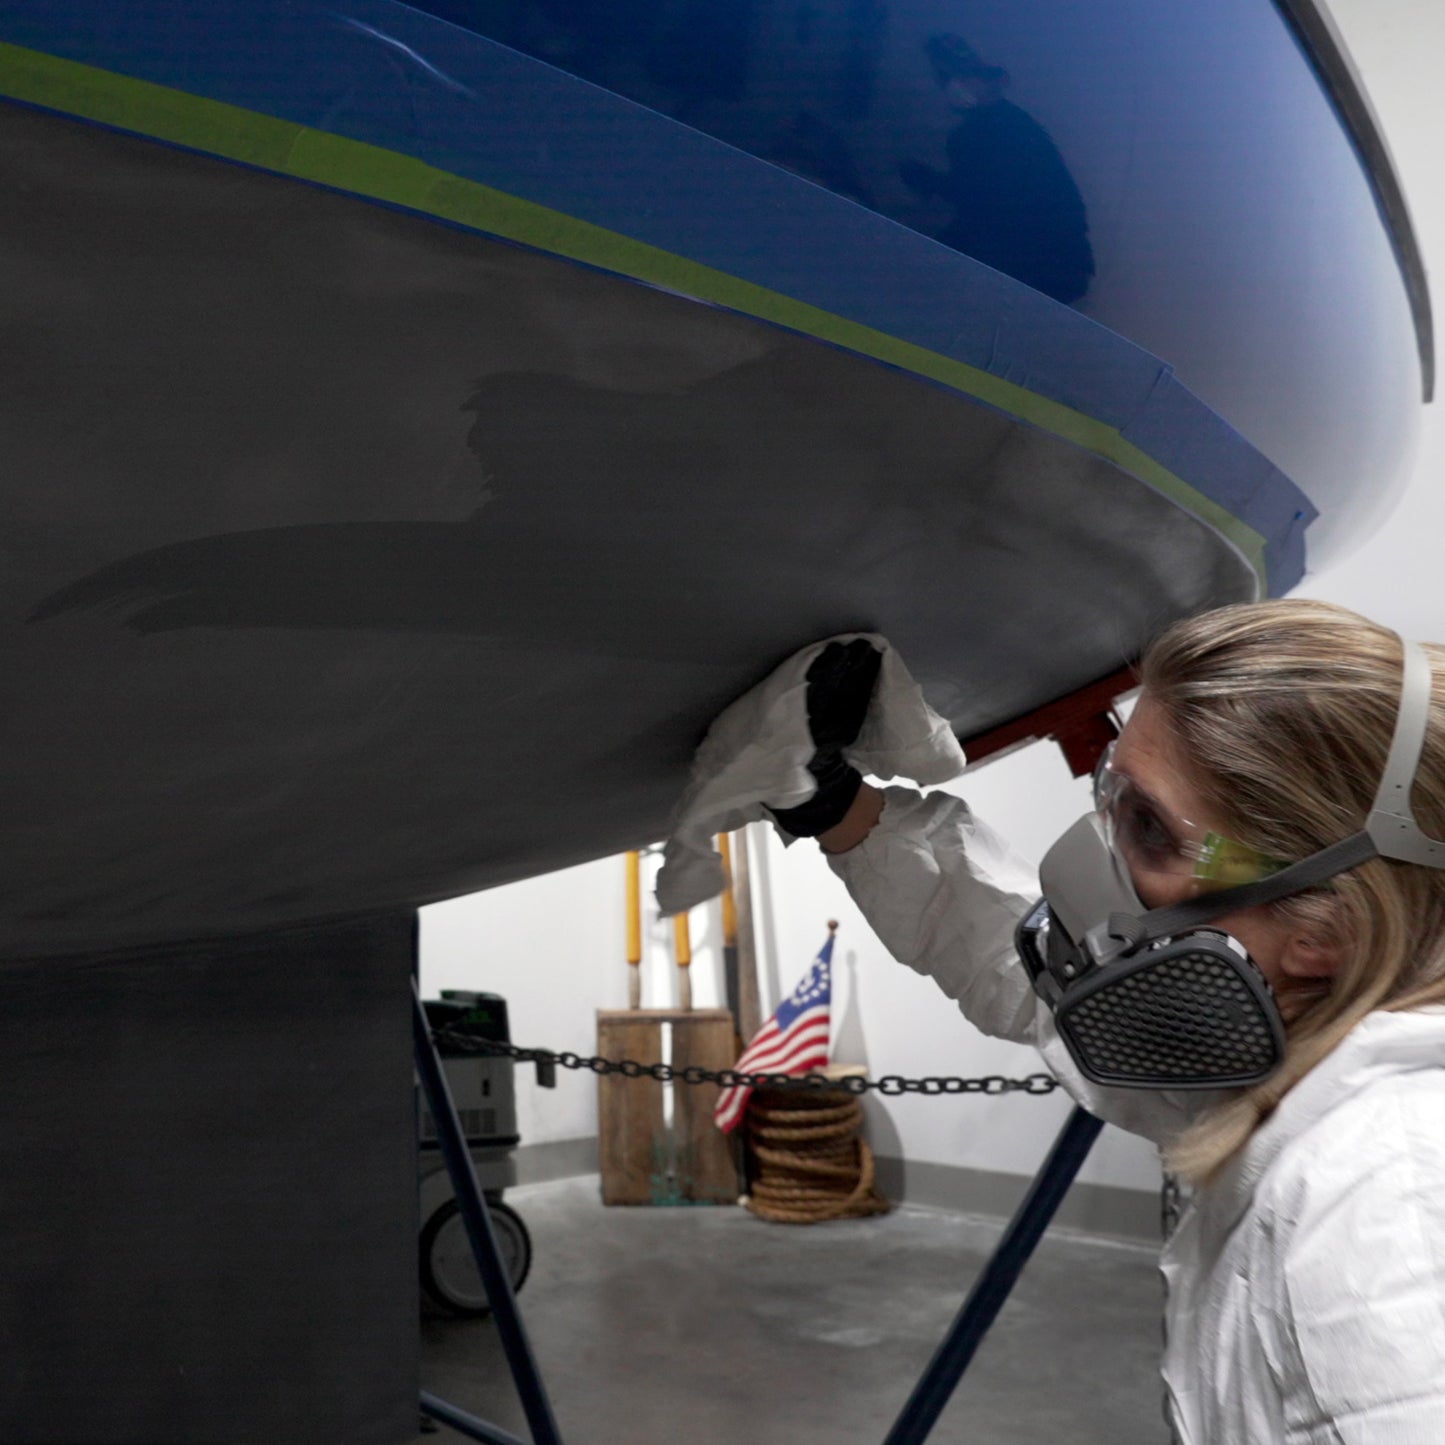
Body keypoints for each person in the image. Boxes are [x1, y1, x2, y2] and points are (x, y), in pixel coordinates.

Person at [760, 600, 1445, 1442]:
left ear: (1326, 928)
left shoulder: (1388, 1200)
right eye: (1109, 793)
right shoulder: (1298, 1058)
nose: (1097, 856)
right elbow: (1039, 988)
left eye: (1149, 828)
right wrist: (835, 805)